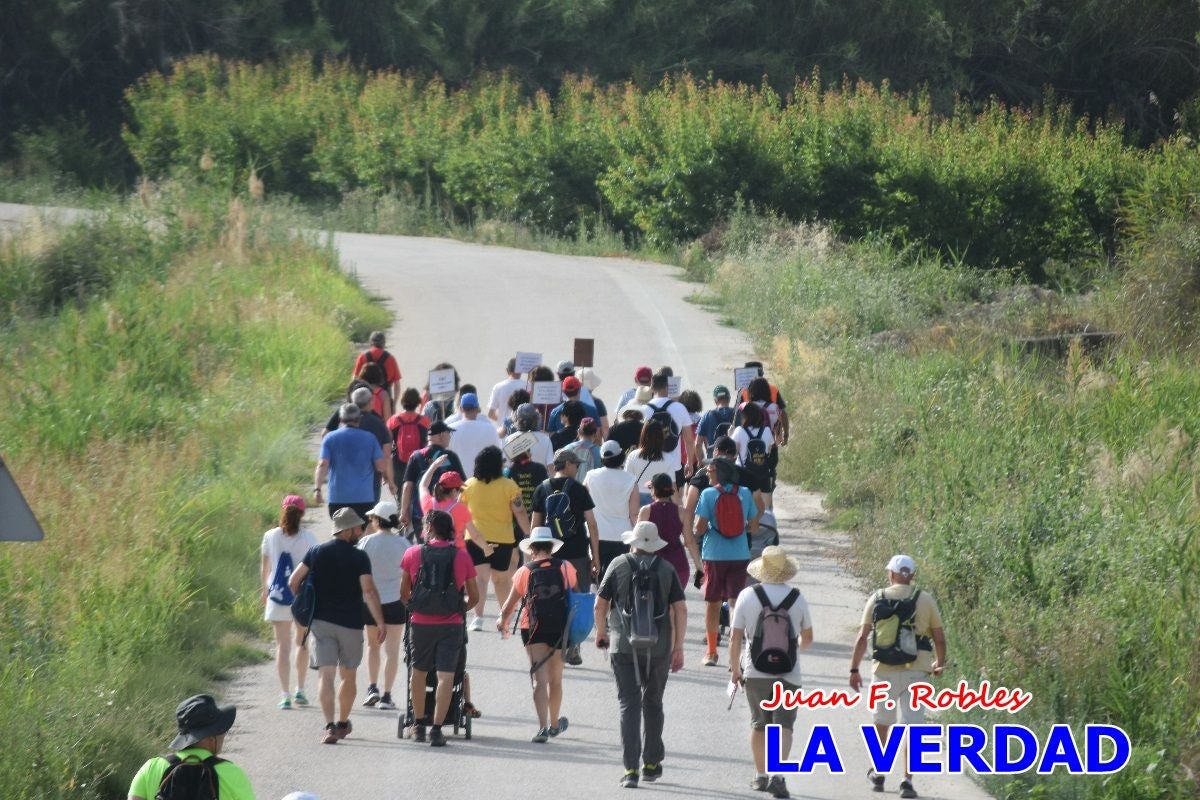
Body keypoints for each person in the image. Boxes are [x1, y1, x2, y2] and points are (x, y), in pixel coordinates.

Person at [594, 521, 687, 789]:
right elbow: (680, 609)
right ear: (655, 545)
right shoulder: (666, 569)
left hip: (624, 646)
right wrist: (678, 646)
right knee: (653, 702)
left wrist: (601, 633)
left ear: (633, 542)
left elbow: (600, 604)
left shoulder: (618, 564)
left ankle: (630, 769)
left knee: (629, 704)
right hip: (659, 647)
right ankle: (651, 763)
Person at [849, 555, 947, 799]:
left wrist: (854, 670)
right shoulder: (925, 599)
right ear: (912, 575)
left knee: (882, 722)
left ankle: (879, 772)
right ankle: (907, 781)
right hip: (917, 671)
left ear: (891, 574)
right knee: (913, 726)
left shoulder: (877, 597)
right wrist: (939, 663)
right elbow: (939, 638)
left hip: (884, 670)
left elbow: (862, 637)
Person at [287, 508, 386, 744]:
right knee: (348, 675)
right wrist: (380, 621)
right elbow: (369, 591)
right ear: (348, 530)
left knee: (326, 675)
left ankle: (329, 726)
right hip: (351, 624)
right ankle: (342, 723)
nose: (361, 531)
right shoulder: (359, 557)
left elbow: (293, 581)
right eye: (359, 528)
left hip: (321, 623)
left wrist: (304, 601)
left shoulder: (316, 551)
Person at [729, 546, 814, 799]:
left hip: (755, 670)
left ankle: (760, 776)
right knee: (784, 725)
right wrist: (794, 650)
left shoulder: (747, 596)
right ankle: (778, 775)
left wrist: (735, 669)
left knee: (759, 724)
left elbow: (735, 637)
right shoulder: (797, 598)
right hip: (789, 672)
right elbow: (808, 637)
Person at [400, 510, 480, 747]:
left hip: (420, 623)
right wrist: (459, 610)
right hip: (451, 624)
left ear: (429, 528)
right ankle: (436, 730)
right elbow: (474, 596)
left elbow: (403, 592)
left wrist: (414, 608)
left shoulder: (413, 553)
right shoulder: (462, 556)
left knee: (418, 672)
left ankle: (418, 725)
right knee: (446, 676)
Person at [497, 527, 579, 742]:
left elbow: (510, 605)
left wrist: (502, 622)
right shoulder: (566, 567)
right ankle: (554, 724)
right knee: (556, 679)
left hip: (532, 627)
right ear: (551, 547)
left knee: (539, 679)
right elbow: (576, 597)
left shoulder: (524, 571)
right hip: (560, 627)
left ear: (532, 549)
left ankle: (542, 728)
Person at [531, 447, 601, 666]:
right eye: (576, 464)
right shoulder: (578, 489)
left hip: (548, 554)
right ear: (568, 464)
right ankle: (574, 645)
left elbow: (535, 526)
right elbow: (592, 524)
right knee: (577, 599)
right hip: (577, 553)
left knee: (550, 597)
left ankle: (552, 643)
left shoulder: (542, 488)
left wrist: (534, 556)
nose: (578, 468)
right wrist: (595, 557)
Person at [693, 458, 758, 667]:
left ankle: (711, 652)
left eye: (710, 470)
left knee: (712, 603)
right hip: (739, 554)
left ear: (717, 473)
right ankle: (734, 656)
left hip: (714, 555)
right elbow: (754, 526)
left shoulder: (708, 494)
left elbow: (699, 528)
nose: (707, 473)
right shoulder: (745, 492)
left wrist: (701, 531)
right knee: (734, 604)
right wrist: (737, 529)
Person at [127, 694, 254, 800]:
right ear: (211, 738)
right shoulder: (232, 773)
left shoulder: (152, 767)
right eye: (222, 731)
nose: (223, 736)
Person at [461, 445, 531, 630]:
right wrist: (529, 534)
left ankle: (477, 618)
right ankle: (504, 615)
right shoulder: (509, 486)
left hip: (474, 538)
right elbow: (519, 511)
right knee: (500, 580)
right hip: (503, 539)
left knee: (480, 579)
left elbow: (460, 512)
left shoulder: (468, 485)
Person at [260, 494, 318, 709]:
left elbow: (265, 567)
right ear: (302, 514)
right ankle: (300, 690)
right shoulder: (309, 538)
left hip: (277, 594)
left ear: (282, 510)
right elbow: (315, 567)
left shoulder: (270, 536)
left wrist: (264, 590)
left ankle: (284, 695)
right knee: (301, 643)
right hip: (301, 597)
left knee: (282, 646)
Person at [358, 499, 409, 711]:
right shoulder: (404, 544)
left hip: (371, 601)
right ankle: (387, 696)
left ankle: (372, 688)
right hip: (396, 600)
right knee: (392, 650)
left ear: (377, 520)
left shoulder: (366, 543)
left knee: (372, 646)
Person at [682, 436, 765, 547]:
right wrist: (746, 527)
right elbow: (760, 508)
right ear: (735, 456)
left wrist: (690, 535)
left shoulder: (702, 476)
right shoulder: (749, 477)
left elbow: (688, 509)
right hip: (741, 542)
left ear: (716, 452)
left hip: (711, 544)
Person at [314, 403, 392, 520]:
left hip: (338, 498)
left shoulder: (329, 438)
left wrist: (317, 489)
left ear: (341, 420)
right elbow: (380, 466)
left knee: (341, 529)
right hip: (363, 498)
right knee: (362, 529)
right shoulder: (370, 438)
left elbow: (322, 465)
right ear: (359, 419)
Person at [322, 386, 394, 503]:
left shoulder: (343, 414)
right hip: (370, 482)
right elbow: (386, 456)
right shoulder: (378, 423)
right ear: (371, 401)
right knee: (369, 513)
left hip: (341, 481)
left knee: (342, 513)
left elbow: (325, 435)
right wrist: (389, 479)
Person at [583, 440, 639, 578]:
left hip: (597, 534)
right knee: (621, 577)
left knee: (600, 577)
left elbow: (583, 503)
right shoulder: (631, 479)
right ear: (621, 456)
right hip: (623, 535)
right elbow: (634, 514)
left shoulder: (591, 476)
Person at [400, 420, 467, 531]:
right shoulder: (449, 456)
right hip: (447, 515)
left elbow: (408, 486)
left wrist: (404, 512)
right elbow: (463, 485)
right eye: (448, 433)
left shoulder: (416, 456)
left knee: (424, 541)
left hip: (421, 513)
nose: (450, 437)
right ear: (441, 435)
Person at [641, 372, 699, 495]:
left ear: (652, 388)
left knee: (653, 500)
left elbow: (641, 439)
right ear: (667, 387)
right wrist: (689, 462)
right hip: (674, 464)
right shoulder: (680, 408)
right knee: (675, 500)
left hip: (651, 463)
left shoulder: (644, 409)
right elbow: (689, 440)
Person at [638, 473, 698, 590]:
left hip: (653, 566)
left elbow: (638, 540)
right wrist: (699, 566)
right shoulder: (682, 512)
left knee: (656, 601)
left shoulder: (646, 511)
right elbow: (689, 541)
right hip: (679, 566)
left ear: (654, 490)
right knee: (676, 601)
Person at [419, 456, 473, 549]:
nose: (460, 492)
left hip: (430, 550)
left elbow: (423, 485)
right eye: (459, 490)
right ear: (454, 491)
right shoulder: (461, 508)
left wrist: (433, 466)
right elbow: (473, 533)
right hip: (456, 551)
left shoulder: (428, 503)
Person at [731, 401, 777, 509]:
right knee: (764, 511)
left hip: (743, 474)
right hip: (763, 475)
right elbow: (768, 452)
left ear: (745, 416)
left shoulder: (739, 431)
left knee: (744, 510)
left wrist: (730, 435)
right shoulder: (766, 431)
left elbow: (733, 454)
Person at [504, 431, 550, 535]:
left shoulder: (509, 472)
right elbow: (546, 492)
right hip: (539, 520)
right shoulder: (540, 469)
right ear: (529, 451)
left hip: (516, 522)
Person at [737, 363, 790, 447]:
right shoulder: (773, 389)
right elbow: (783, 413)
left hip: (749, 441)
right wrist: (786, 435)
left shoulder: (743, 391)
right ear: (762, 373)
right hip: (771, 441)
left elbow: (738, 417)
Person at [449, 392, 502, 474]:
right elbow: (498, 455)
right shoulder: (489, 429)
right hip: (484, 478)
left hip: (459, 479)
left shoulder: (450, 430)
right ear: (477, 408)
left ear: (461, 408)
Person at [387, 388, 430, 489]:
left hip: (399, 463)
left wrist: (388, 477)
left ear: (402, 401)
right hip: (419, 462)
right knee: (419, 493)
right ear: (418, 402)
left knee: (401, 493)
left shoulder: (393, 421)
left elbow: (386, 449)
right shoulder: (425, 421)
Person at [623, 420, 673, 505]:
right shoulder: (668, 458)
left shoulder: (632, 456)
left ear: (643, 435)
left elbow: (627, 481)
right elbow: (672, 485)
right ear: (661, 437)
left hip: (636, 498)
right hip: (659, 499)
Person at [353, 331, 402, 406]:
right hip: (385, 398)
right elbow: (397, 384)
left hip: (365, 399)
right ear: (384, 343)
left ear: (370, 343)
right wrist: (394, 403)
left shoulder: (362, 357)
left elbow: (355, 380)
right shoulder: (390, 359)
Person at [697, 385, 735, 452]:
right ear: (729, 399)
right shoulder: (738, 414)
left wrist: (701, 459)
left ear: (715, 400)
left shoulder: (707, 416)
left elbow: (698, 444)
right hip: (733, 457)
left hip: (714, 457)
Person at [487, 358, 525, 422]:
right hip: (523, 426)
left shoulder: (498, 387)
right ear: (521, 371)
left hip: (503, 427)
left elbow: (490, 414)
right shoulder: (528, 386)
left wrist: (502, 421)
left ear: (507, 370)